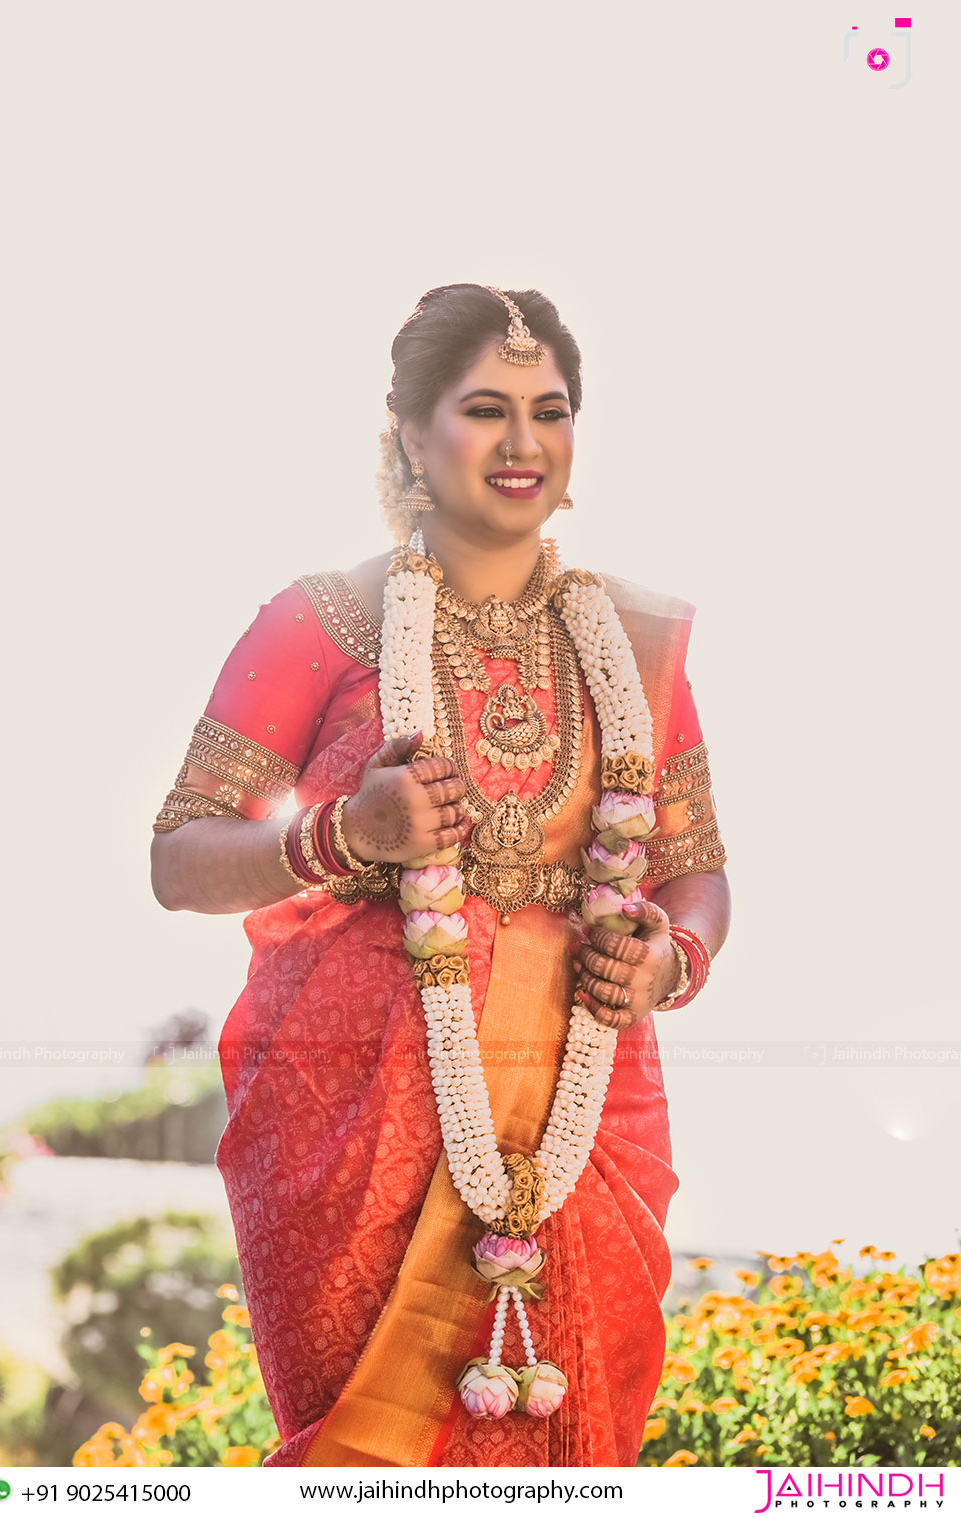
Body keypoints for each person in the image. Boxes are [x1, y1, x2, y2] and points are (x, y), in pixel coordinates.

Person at [150, 284, 730, 1468]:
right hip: (353, 1128)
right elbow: (179, 856)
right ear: (411, 434)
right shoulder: (321, 620)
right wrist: (343, 837)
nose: (523, 442)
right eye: (484, 408)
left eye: (549, 410)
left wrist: (670, 959)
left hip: (582, 1114)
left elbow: (696, 871)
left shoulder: (633, 645)